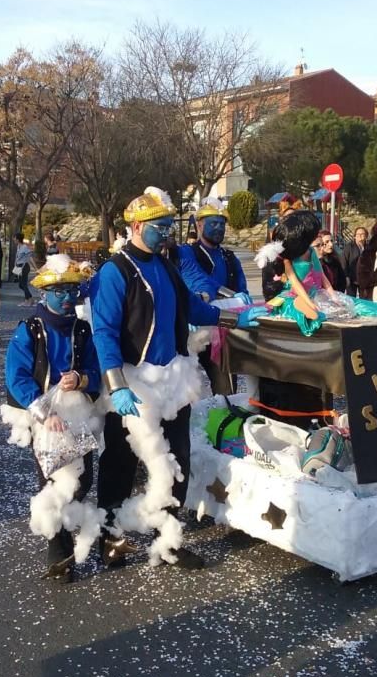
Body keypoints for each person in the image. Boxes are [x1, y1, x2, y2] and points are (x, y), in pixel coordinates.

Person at [91, 187, 267, 571]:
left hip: (174, 379)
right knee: (120, 464)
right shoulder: (114, 271)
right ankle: (110, 537)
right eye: (160, 227)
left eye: (170, 227)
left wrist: (235, 319)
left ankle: (168, 540)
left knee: (177, 460)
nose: (167, 234)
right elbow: (103, 331)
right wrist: (116, 385)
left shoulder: (167, 266)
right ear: (136, 226)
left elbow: (191, 307)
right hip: (132, 384)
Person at [2, 255, 102, 583]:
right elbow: (15, 375)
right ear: (45, 293)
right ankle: (58, 551)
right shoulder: (30, 328)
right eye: (60, 290)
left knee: (83, 479)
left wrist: (81, 378)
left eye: (72, 289)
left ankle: (63, 528)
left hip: (79, 411)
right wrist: (44, 413)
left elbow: (95, 369)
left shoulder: (83, 329)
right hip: (43, 416)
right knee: (52, 480)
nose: (68, 296)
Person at [255, 211, 377, 338]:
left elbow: (322, 277)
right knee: (292, 305)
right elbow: (295, 284)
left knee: (354, 303)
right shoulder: (288, 259)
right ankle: (305, 310)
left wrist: (334, 296)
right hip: (294, 294)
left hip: (315, 293)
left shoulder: (311, 251)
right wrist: (308, 302)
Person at [176, 197, 253, 394]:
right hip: (193, 327)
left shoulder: (229, 257)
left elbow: (242, 289)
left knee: (226, 388)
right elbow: (199, 280)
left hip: (223, 328)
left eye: (222, 224)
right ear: (199, 225)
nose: (219, 228)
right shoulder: (186, 253)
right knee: (184, 389)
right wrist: (228, 295)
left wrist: (241, 299)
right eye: (213, 223)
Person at [340, 226, 368, 296]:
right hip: (351, 278)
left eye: (362, 234)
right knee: (351, 299)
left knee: (364, 299)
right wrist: (346, 276)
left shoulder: (368, 247)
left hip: (364, 279)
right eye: (358, 234)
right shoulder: (349, 247)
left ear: (366, 236)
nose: (360, 236)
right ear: (355, 236)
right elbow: (344, 262)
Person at [14, 233, 34, 306]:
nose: (14, 240)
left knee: (23, 284)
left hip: (24, 266)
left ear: (18, 239)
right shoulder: (18, 247)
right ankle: (29, 299)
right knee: (20, 285)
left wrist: (35, 268)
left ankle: (28, 300)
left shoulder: (24, 247)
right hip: (19, 266)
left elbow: (30, 258)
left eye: (15, 238)